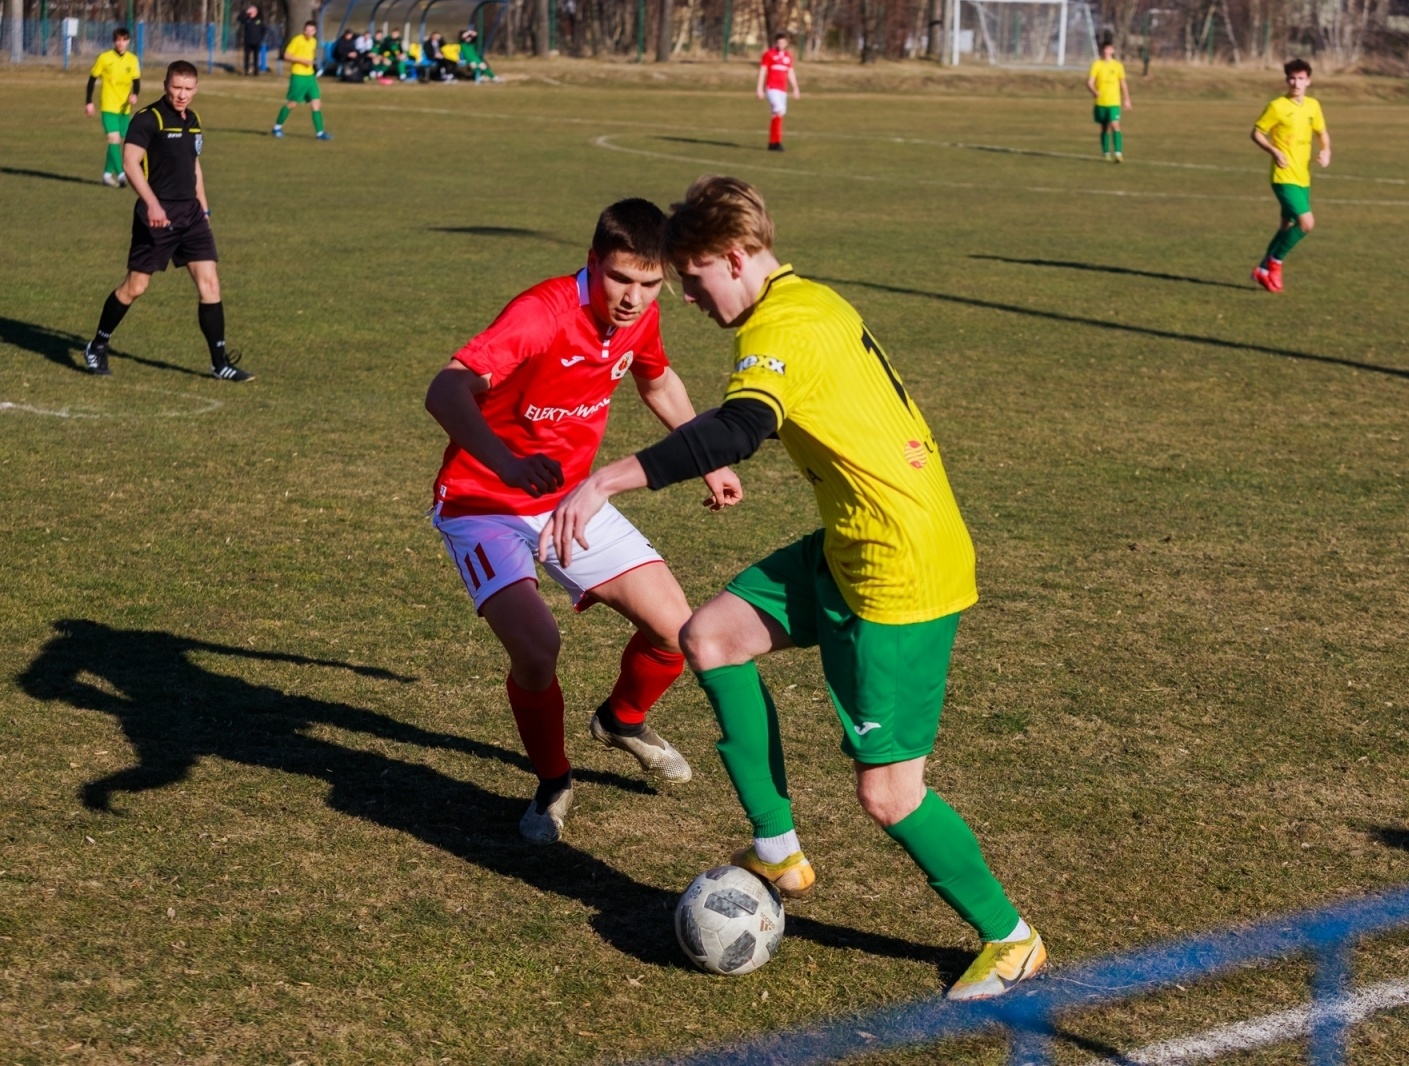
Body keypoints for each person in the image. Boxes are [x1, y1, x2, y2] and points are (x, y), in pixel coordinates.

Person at [538, 177, 1046, 1002]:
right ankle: (777, 850)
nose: (690, 298)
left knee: (889, 795)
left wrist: (607, 480)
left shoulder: (784, 325)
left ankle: (1011, 938)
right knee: (710, 635)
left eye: (695, 279)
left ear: (736, 257)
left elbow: (740, 428)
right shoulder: (807, 298)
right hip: (852, 543)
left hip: (900, 570)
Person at [423, 199, 742, 845]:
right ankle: (553, 781)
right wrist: (508, 465)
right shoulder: (541, 314)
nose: (632, 298)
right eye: (620, 278)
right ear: (593, 261)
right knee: (537, 649)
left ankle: (622, 720)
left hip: (570, 498)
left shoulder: (641, 315)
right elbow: (445, 389)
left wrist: (708, 458)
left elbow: (656, 381)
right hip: (483, 502)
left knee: (676, 631)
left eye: (649, 284)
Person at [84, 61, 254, 383]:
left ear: (196, 89)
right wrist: (152, 204)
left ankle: (219, 363)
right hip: (157, 216)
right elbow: (129, 163)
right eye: (177, 87)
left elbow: (194, 166)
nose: (182, 95)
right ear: (165, 85)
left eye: (188, 89)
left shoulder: (194, 120)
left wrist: (204, 211)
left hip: (191, 215)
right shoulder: (148, 119)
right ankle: (97, 345)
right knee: (136, 286)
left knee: (210, 284)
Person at [1250, 58, 1330, 293]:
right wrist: (1273, 150)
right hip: (1283, 176)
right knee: (1307, 223)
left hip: (1303, 176)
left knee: (1287, 225)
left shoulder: (1313, 106)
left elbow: (1322, 132)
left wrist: (1326, 150)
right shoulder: (1277, 106)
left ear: (1308, 81)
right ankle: (1275, 262)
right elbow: (1256, 133)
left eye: (1301, 79)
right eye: (1292, 78)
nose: (1296, 83)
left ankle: (1262, 269)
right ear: (1287, 80)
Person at [85, 28, 140, 187]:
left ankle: (107, 175)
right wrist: (89, 102)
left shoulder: (133, 59)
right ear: (114, 41)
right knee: (113, 139)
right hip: (108, 106)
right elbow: (92, 80)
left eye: (123, 40)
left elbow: (136, 81)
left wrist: (135, 94)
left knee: (116, 142)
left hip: (124, 109)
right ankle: (122, 174)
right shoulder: (104, 58)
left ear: (128, 41)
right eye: (117, 40)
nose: (120, 43)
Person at [273, 21, 333, 139]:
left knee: (316, 102)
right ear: (304, 30)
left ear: (315, 31)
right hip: (298, 76)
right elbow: (286, 56)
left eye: (311, 30)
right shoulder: (297, 40)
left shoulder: (314, 42)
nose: (309, 32)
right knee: (292, 104)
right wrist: (302, 61)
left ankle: (320, 133)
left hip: (310, 77)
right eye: (307, 30)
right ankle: (276, 128)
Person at [1086, 38, 1130, 162]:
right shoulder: (1097, 65)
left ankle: (1118, 153)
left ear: (1112, 50)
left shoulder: (1118, 66)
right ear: (1102, 51)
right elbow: (1089, 82)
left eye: (1109, 49)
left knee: (1115, 125)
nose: (1107, 51)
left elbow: (1123, 83)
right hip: (1101, 102)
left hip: (1114, 102)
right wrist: (1094, 91)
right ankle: (1106, 153)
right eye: (1105, 49)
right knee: (1104, 127)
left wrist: (1126, 99)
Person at [757, 32, 798, 152]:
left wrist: (795, 88)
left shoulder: (788, 56)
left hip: (783, 89)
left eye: (783, 42)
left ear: (786, 43)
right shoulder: (769, 54)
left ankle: (772, 143)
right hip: (771, 88)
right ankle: (777, 142)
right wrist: (759, 88)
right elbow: (762, 71)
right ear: (776, 43)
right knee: (779, 110)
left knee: (777, 114)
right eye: (779, 42)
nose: (781, 44)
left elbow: (790, 72)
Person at [237, 5, 266, 75]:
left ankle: (256, 71)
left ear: (256, 12)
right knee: (247, 57)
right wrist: (246, 12)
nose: (251, 13)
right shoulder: (246, 19)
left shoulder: (259, 19)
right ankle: (246, 70)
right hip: (248, 41)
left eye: (252, 11)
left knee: (256, 57)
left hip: (257, 41)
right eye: (250, 12)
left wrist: (260, 37)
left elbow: (264, 29)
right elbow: (239, 18)